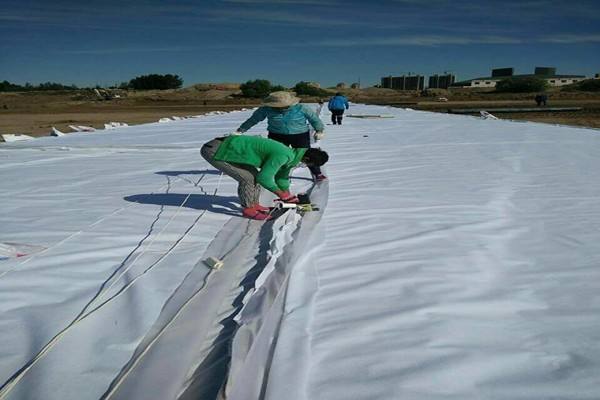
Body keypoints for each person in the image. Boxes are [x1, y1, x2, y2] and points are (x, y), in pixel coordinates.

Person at [201, 135, 329, 220]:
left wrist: (288, 196)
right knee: (247, 178)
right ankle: (248, 209)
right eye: (308, 164)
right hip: (217, 149)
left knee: (253, 177)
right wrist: (281, 194)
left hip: (232, 150)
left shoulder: (292, 156)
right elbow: (264, 177)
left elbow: (282, 178)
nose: (305, 166)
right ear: (307, 158)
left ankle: (254, 205)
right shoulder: (284, 155)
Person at [235, 91, 327, 181]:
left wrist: (319, 130)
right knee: (275, 155)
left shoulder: (301, 108)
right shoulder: (266, 109)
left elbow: (314, 119)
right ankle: (274, 174)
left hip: (300, 135)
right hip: (277, 135)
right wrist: (241, 130)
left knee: (308, 155)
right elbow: (253, 120)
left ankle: (317, 172)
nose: (281, 108)